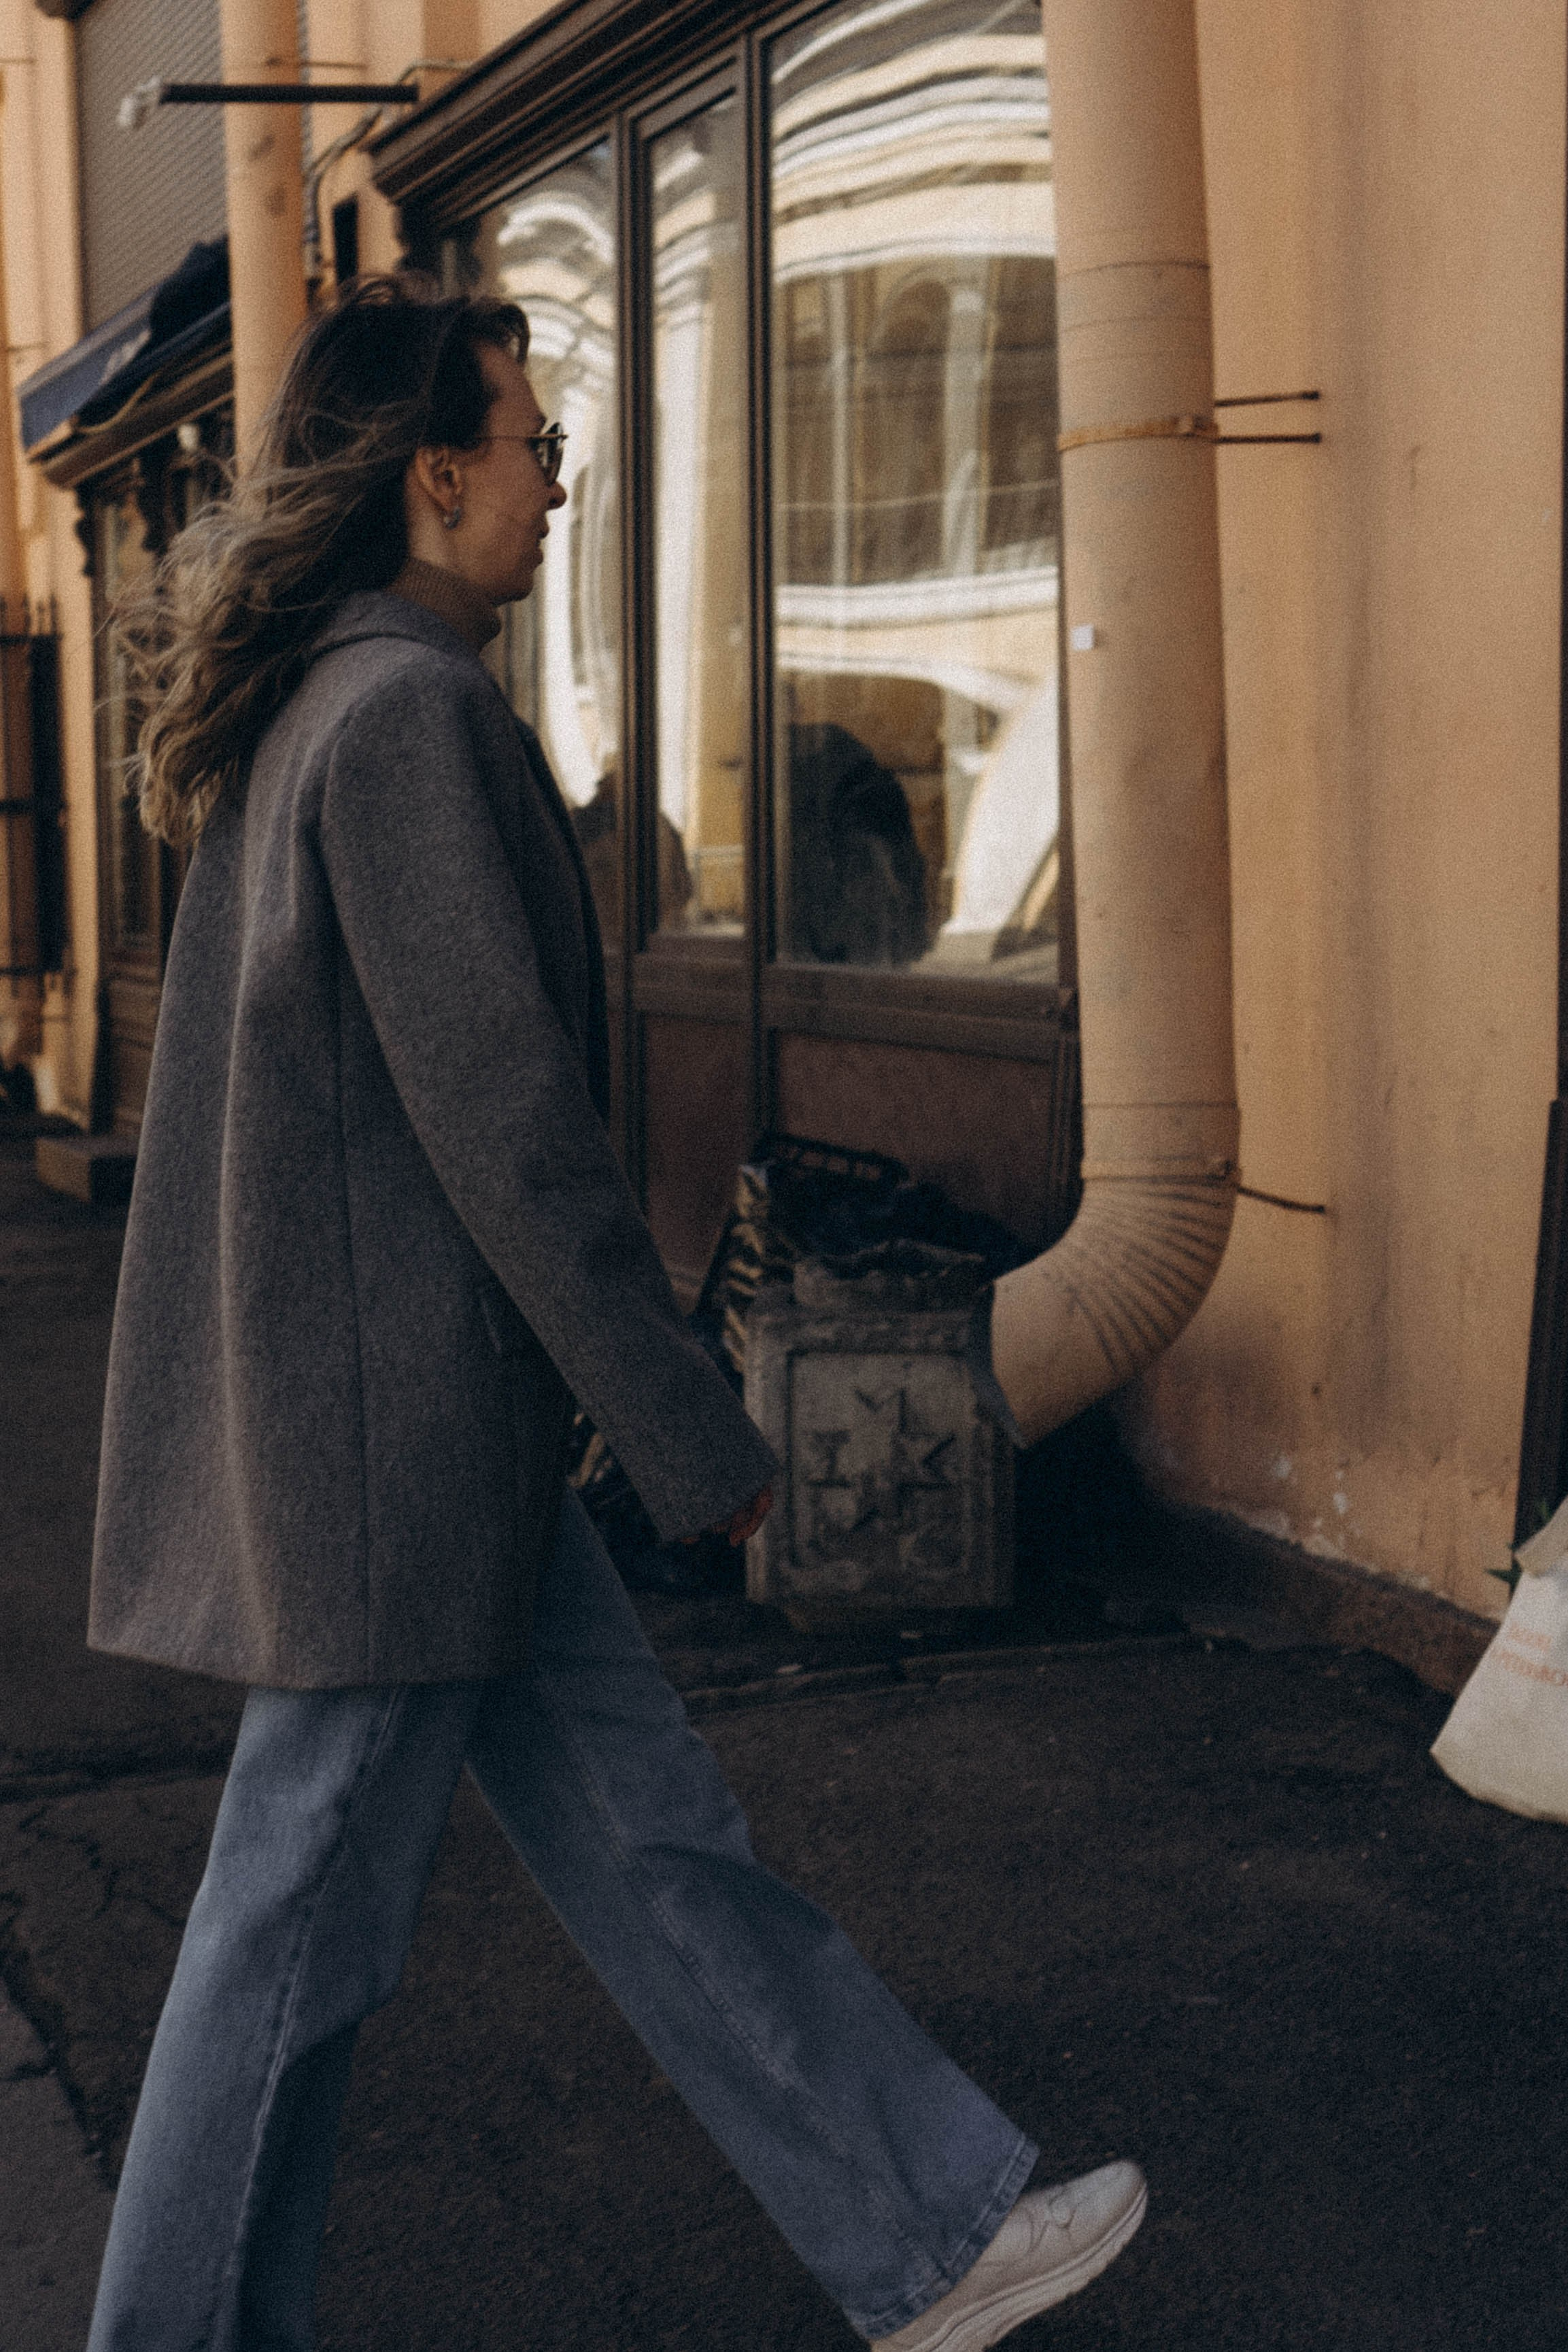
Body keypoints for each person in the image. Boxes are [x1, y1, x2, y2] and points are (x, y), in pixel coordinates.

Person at [83, 276, 1146, 2352]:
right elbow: (511, 1136)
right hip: (396, 1453)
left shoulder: (333, 700)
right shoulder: (399, 718)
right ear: (432, 471)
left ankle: (925, 2233)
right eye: (532, 439)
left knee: (659, 1842)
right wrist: (689, 1430)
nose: (556, 483)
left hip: (421, 1441)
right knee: (288, 1932)